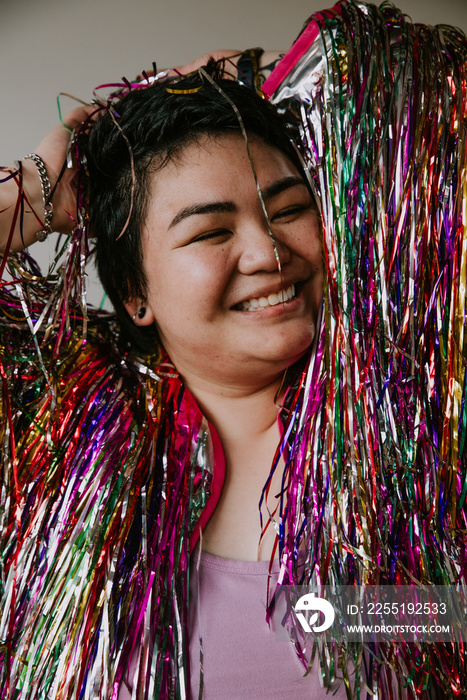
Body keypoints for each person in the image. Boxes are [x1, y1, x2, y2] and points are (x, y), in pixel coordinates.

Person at [1, 2, 466, 699]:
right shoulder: (55, 433)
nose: (267, 252)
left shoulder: (411, 420)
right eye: (210, 232)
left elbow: (433, 634)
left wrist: (266, 77)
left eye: (286, 210)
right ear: (135, 293)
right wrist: (31, 196)